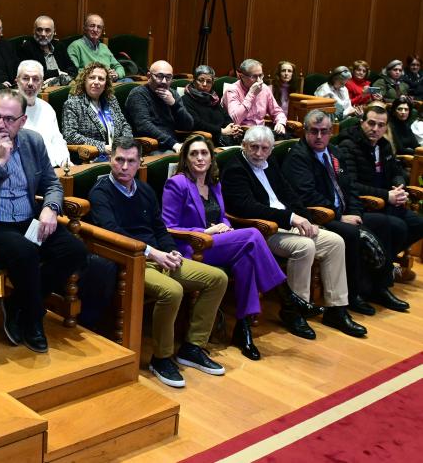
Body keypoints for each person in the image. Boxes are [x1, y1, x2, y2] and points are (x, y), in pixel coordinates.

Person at [0, 89, 88, 353]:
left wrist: (50, 207)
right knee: (26, 252)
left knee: (75, 251)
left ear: (22, 121)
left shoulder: (32, 141)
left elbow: (52, 183)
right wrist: (0, 162)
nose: (0, 124)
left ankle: (17, 305)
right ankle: (33, 319)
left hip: (29, 218)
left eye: (8, 119)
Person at [88, 137, 227, 388]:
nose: (124, 166)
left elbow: (160, 227)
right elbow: (114, 232)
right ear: (110, 159)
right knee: (171, 291)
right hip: (129, 260)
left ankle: (192, 347)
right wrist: (154, 253)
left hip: (158, 255)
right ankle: (161, 358)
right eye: (119, 160)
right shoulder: (100, 192)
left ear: (140, 163)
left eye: (131, 161)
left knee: (217, 278)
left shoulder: (144, 189)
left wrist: (172, 251)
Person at [222, 126, 366, 339]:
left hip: (287, 224)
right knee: (304, 246)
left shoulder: (269, 165)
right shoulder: (235, 169)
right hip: (262, 231)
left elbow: (289, 194)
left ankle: (336, 309)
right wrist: (291, 218)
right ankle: (294, 310)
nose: (259, 153)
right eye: (254, 147)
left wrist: (305, 217)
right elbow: (247, 207)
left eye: (265, 148)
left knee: (336, 242)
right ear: (244, 145)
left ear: (271, 149)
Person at [162, 135, 287, 360]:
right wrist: (204, 233)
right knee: (252, 235)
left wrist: (226, 228)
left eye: (204, 153)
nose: (200, 158)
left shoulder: (214, 182)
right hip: (192, 246)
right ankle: (284, 294)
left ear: (211, 157)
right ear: (186, 159)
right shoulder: (177, 183)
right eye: (194, 154)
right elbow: (169, 226)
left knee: (246, 257)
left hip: (217, 244)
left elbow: (223, 217)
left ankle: (243, 328)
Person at [282, 110, 411, 314]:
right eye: (314, 131)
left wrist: (356, 212)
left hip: (345, 213)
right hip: (320, 216)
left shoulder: (334, 153)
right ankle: (353, 294)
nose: (318, 136)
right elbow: (307, 196)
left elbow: (348, 187)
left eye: (324, 131)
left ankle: (379, 287)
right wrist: (340, 216)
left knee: (387, 223)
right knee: (350, 234)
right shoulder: (298, 158)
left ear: (331, 132)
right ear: (305, 132)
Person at [338, 102, 423, 263]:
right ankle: (381, 265)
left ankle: (382, 260)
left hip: (387, 201)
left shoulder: (383, 145)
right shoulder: (348, 145)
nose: (375, 129)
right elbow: (351, 185)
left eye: (381, 125)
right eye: (371, 123)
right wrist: (387, 195)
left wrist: (399, 187)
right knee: (399, 227)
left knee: (419, 224)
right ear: (362, 122)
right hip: (365, 204)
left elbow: (397, 171)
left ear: (386, 128)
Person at [62, 62, 132, 162]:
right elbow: (70, 136)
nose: (96, 82)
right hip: (91, 157)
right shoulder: (73, 104)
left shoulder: (111, 100)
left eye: (101, 79)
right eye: (92, 77)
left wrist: (125, 144)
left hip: (118, 153)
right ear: (84, 81)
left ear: (106, 84)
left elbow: (124, 124)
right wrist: (103, 147)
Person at [126, 60, 194, 153]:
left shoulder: (172, 94)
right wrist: (173, 143)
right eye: (160, 76)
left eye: (168, 77)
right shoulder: (138, 94)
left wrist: (174, 104)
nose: (164, 81)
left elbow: (188, 125)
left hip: (172, 144)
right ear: (149, 76)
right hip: (150, 146)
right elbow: (144, 126)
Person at [17, 61, 70, 167]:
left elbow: (57, 140)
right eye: (26, 78)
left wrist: (64, 161)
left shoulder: (47, 108)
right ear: (17, 81)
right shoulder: (7, 108)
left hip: (52, 168)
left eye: (36, 79)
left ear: (41, 84)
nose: (30, 83)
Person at [224, 58, 288, 137]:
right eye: (254, 76)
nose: (259, 80)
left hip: (262, 133)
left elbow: (277, 112)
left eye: (260, 75)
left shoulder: (264, 88)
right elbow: (235, 119)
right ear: (242, 76)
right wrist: (251, 94)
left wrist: (280, 123)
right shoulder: (232, 90)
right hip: (241, 134)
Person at [181, 65, 241, 146]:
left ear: (212, 83)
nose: (205, 84)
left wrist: (232, 127)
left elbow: (225, 116)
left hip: (223, 139)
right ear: (194, 81)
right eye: (201, 80)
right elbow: (196, 123)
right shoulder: (186, 99)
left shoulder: (213, 98)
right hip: (203, 141)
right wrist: (221, 131)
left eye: (208, 81)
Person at [17, 15, 77, 84]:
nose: (43, 34)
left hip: (63, 86)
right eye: (39, 30)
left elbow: (73, 69)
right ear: (34, 31)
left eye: (47, 30)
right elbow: (31, 75)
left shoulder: (59, 46)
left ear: (54, 32)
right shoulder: (27, 48)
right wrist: (57, 72)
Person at [66, 14, 125, 81]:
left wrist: (116, 74)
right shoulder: (75, 46)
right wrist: (99, 75)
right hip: (89, 85)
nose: (95, 29)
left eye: (99, 27)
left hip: (109, 83)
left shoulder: (104, 47)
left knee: (129, 82)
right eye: (92, 26)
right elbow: (73, 73)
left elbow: (119, 67)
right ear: (84, 28)